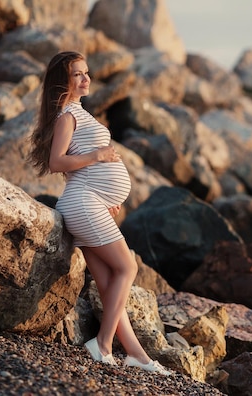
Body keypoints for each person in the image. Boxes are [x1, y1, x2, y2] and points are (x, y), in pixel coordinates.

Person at [28, 51, 170, 375]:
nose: (86, 78)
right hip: (82, 205)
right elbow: (57, 162)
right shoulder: (68, 116)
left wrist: (106, 192)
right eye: (77, 74)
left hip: (88, 202)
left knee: (108, 284)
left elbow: (77, 171)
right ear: (63, 81)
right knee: (128, 267)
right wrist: (99, 155)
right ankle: (103, 344)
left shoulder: (76, 113)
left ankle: (138, 356)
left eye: (86, 72)